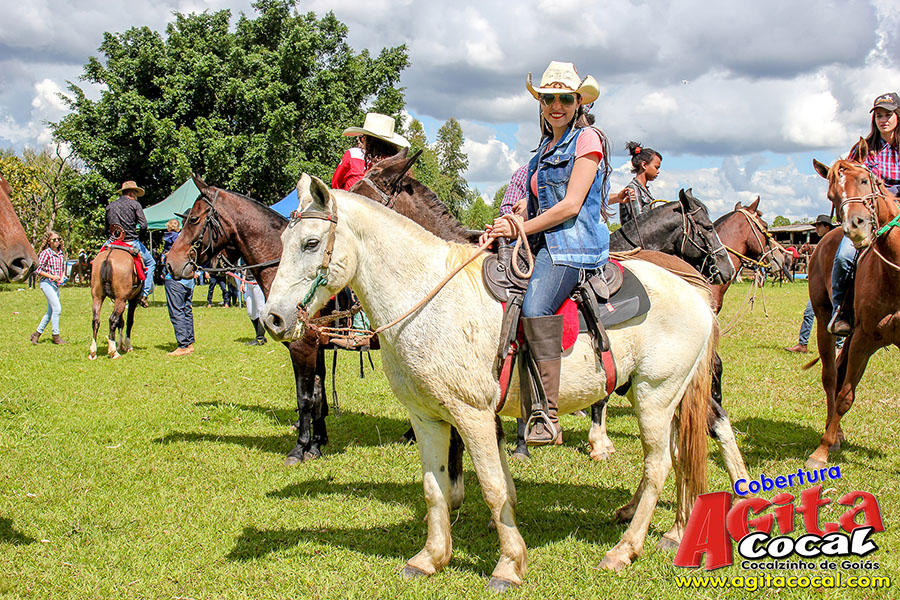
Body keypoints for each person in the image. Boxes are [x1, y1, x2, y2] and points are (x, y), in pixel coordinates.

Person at [482, 61, 610, 446]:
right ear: (541, 103)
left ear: (577, 102)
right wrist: (511, 217)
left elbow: (571, 205)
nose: (556, 105)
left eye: (564, 99)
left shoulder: (588, 140)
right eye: (548, 98)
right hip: (542, 241)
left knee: (536, 304)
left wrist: (521, 227)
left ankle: (545, 413)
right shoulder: (543, 151)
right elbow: (535, 202)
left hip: (573, 246)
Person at [829, 92, 900, 335]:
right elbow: (846, 181)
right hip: (869, 214)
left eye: (888, 115)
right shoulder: (863, 150)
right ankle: (841, 311)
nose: (884, 120)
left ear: (898, 117)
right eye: (879, 115)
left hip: (899, 210)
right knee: (844, 257)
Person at [105, 180, 155, 307]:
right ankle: (144, 294)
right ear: (132, 193)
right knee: (151, 263)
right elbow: (143, 225)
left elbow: (106, 228)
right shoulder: (135, 204)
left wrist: (111, 238)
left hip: (112, 241)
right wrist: (142, 239)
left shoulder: (110, 206)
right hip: (130, 241)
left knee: (96, 261)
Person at [332, 112, 410, 191]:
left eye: (362, 137)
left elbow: (336, 184)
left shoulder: (353, 155)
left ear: (367, 139)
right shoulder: (396, 163)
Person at [162, 219, 195, 356]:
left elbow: (167, 255)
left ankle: (183, 345)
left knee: (177, 311)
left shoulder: (169, 238)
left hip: (174, 278)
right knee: (187, 310)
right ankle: (190, 342)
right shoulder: (186, 239)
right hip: (188, 279)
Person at [609, 142, 662, 225]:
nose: (658, 172)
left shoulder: (645, 190)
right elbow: (639, 221)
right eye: (656, 167)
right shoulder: (632, 189)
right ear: (644, 165)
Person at [30, 231, 67, 345]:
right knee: (57, 309)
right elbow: (38, 270)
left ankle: (36, 334)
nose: (57, 242)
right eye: (54, 240)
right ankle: (56, 336)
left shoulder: (61, 253)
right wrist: (52, 276)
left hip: (56, 285)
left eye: (58, 239)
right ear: (49, 242)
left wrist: (62, 277)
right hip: (47, 283)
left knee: (50, 312)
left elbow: (62, 268)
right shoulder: (46, 253)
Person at [240, 269, 267, 345]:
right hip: (248, 283)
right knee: (251, 312)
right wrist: (242, 282)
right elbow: (246, 268)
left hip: (257, 283)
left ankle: (260, 338)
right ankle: (260, 334)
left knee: (260, 310)